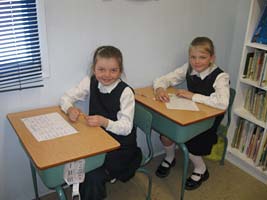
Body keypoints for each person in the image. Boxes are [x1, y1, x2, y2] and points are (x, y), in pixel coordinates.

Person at [60, 45, 142, 200]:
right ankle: (80, 192)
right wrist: (70, 108)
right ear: (94, 69)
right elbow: (65, 98)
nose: (107, 75)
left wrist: (105, 122)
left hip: (120, 148)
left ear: (120, 70)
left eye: (113, 70)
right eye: (101, 69)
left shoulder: (125, 92)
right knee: (72, 159)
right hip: (96, 141)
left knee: (91, 175)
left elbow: (126, 127)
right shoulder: (90, 81)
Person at [153, 37, 230, 190]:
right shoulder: (189, 68)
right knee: (165, 134)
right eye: (193, 57)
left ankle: (201, 170)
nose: (197, 61)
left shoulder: (221, 77)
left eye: (202, 57)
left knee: (192, 144)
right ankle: (170, 157)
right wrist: (160, 88)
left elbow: (223, 104)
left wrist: (193, 96)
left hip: (209, 120)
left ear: (212, 58)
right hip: (190, 114)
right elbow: (165, 79)